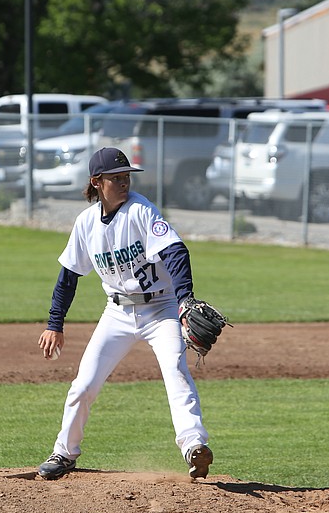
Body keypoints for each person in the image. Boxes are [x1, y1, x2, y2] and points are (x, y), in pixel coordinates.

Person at [35, 147, 213, 481]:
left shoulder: (142, 211)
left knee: (176, 371)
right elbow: (68, 277)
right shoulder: (86, 223)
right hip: (116, 313)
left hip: (161, 308)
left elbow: (175, 252)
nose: (123, 182)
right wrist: (54, 324)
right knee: (84, 384)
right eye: (116, 178)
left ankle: (194, 446)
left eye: (126, 176)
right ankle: (64, 452)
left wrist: (185, 300)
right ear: (96, 182)